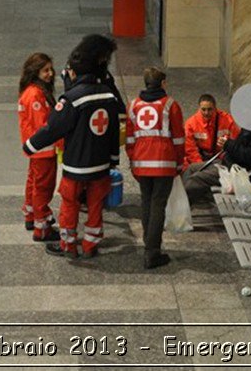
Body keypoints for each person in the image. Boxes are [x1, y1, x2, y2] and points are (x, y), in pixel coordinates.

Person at [24, 34, 121, 259]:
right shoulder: (109, 96)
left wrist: (30, 145)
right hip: (101, 164)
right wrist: (113, 159)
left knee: (70, 204)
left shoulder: (72, 99)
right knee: (95, 205)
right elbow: (114, 132)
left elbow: (52, 129)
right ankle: (90, 244)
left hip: (76, 165)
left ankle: (68, 245)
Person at [125, 67, 184, 269]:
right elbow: (178, 138)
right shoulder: (170, 105)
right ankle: (152, 252)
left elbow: (130, 138)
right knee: (158, 204)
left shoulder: (133, 105)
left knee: (147, 202)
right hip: (164, 163)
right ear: (163, 83)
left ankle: (148, 244)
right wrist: (179, 162)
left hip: (141, 162)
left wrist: (133, 160)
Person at [17, 52, 61, 242]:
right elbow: (43, 127)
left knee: (33, 183)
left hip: (35, 150)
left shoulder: (32, 90)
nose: (50, 73)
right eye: (45, 70)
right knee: (43, 187)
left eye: (50, 69)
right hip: (43, 150)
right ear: (35, 72)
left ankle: (31, 215)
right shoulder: (35, 95)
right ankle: (41, 228)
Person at [181, 95, 240, 203]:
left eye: (210, 109)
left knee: (197, 176)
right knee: (187, 168)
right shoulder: (191, 123)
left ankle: (185, 200)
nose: (206, 113)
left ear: (215, 108)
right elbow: (190, 149)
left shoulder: (227, 120)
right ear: (199, 108)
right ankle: (183, 200)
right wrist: (201, 165)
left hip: (221, 159)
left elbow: (236, 142)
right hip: (201, 158)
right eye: (203, 109)